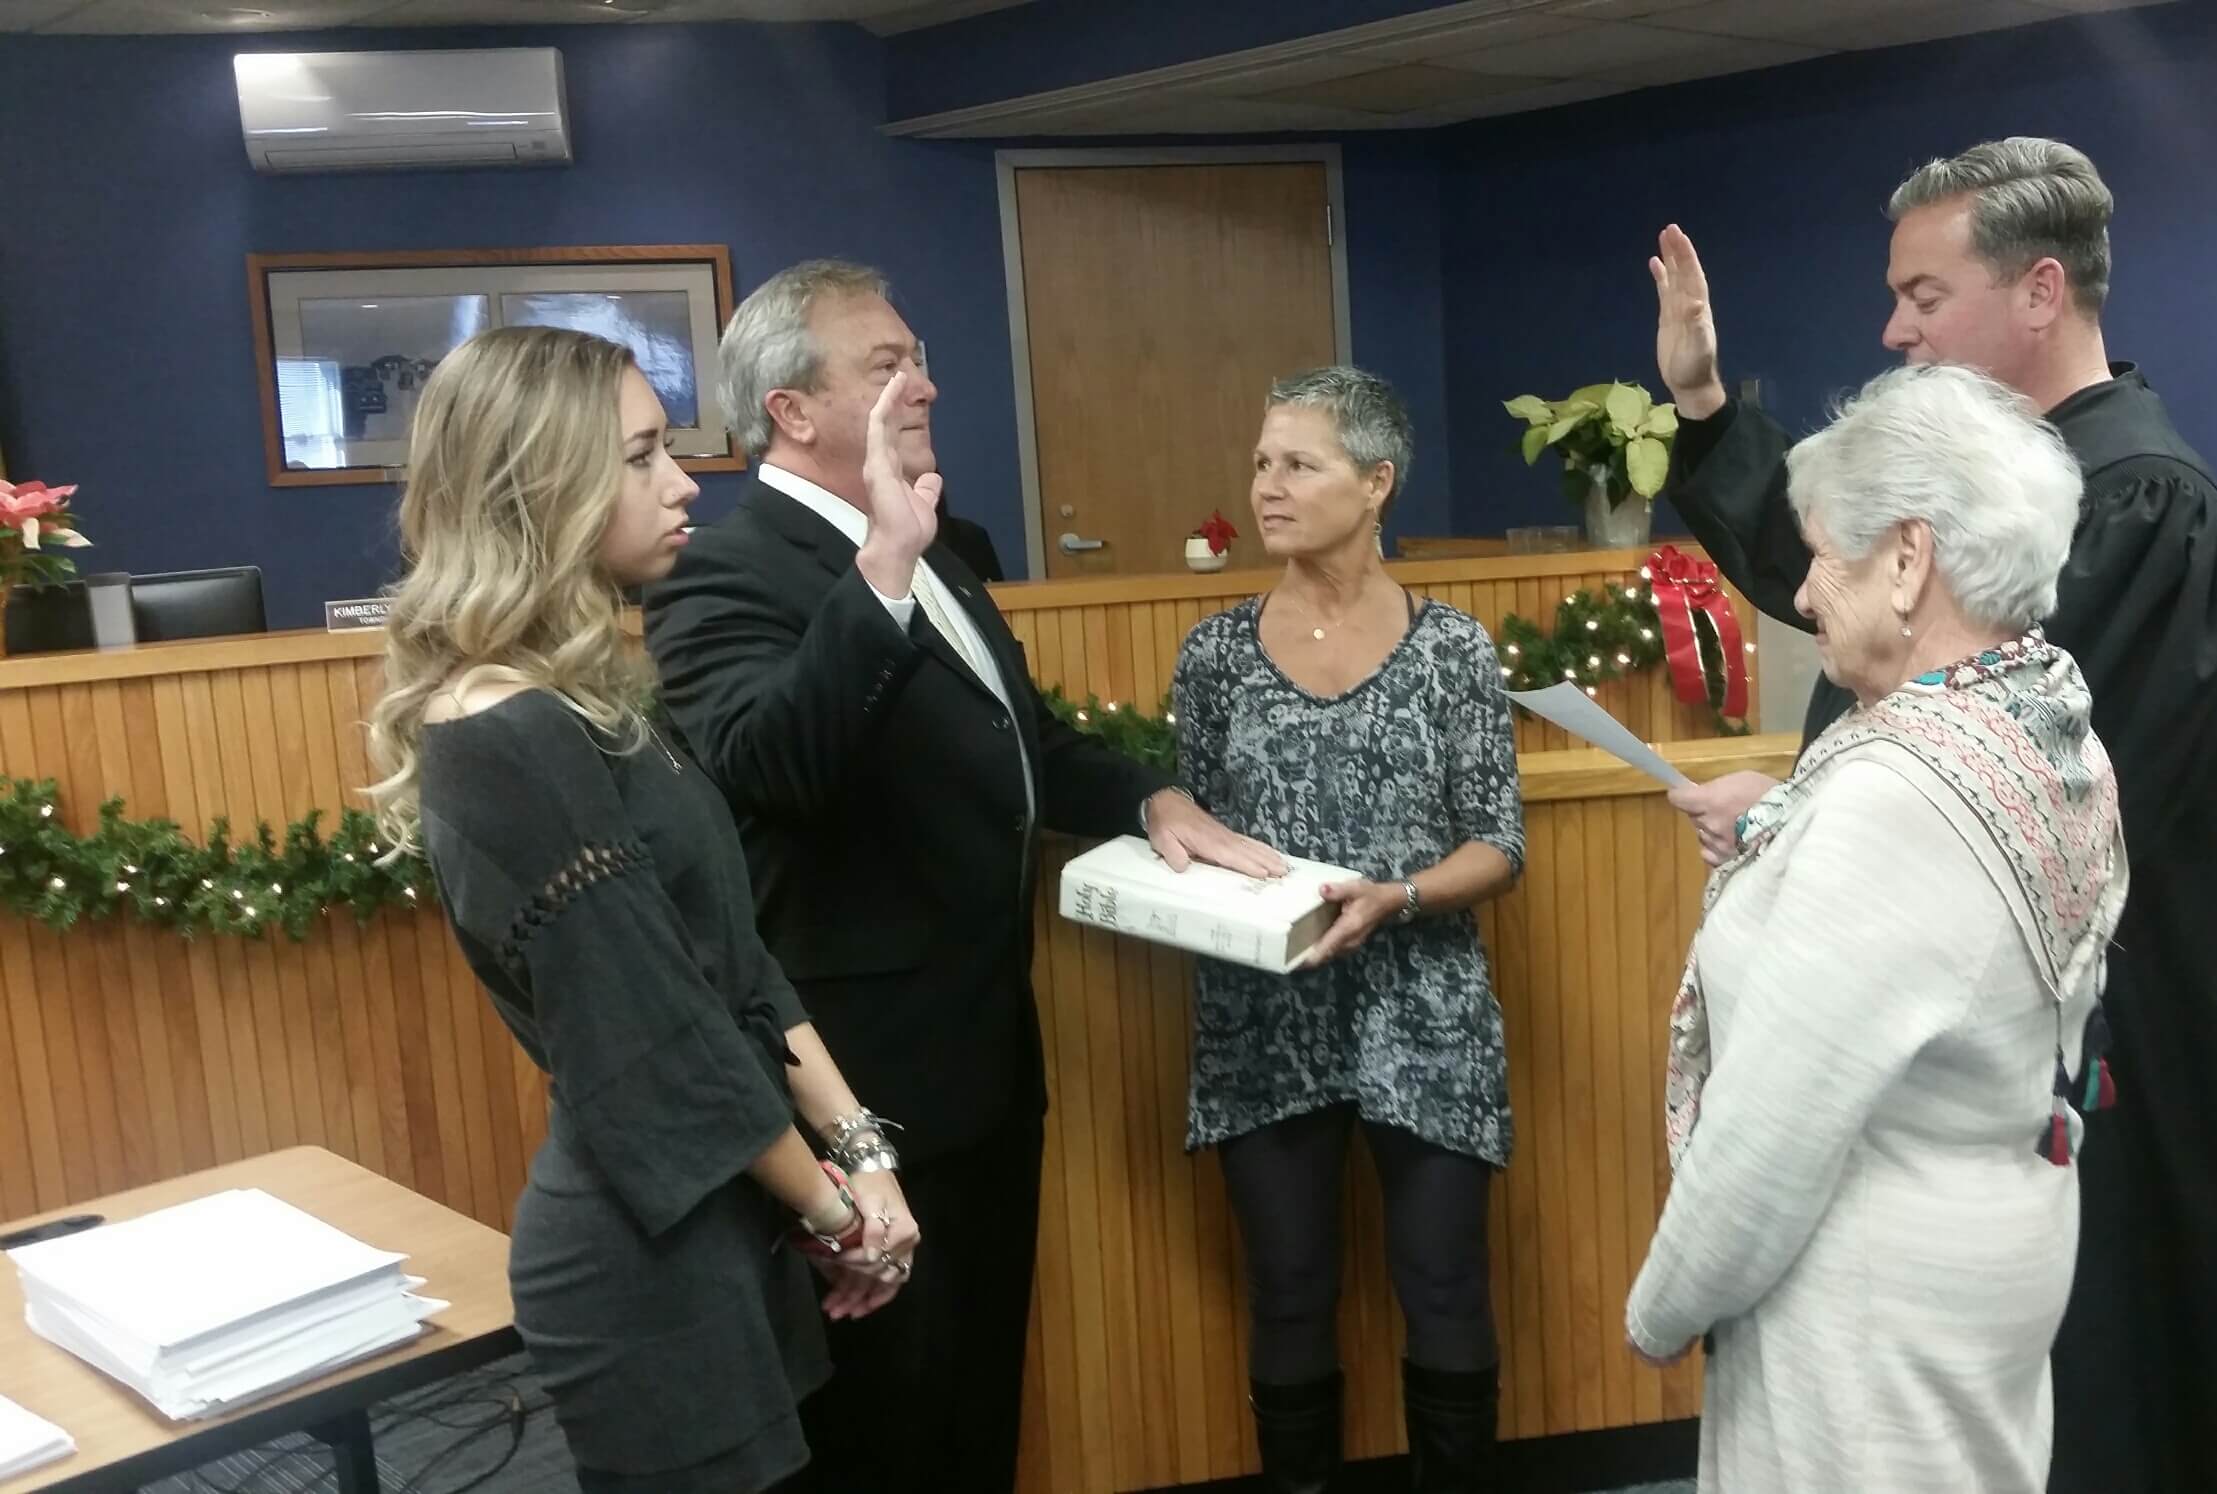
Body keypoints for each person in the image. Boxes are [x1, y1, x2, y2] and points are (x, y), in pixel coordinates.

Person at [1648, 137, 2217, 1494]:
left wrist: (1809, 813)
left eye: (1923, 295)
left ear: (2040, 291)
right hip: (1965, 1049)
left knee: (2093, 1393)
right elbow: (1849, 579)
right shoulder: (2007, 479)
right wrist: (1709, 405)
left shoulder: (2143, 504)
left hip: (2090, 1045)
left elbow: (2020, 783)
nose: (1893, 329)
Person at [639, 259, 1277, 1490]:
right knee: (885, 1420)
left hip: (986, 1057)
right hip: (858, 1084)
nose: (924, 383)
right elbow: (774, 765)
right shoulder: (727, 571)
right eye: (885, 367)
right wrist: (881, 564)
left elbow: (1018, 737)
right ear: (792, 409)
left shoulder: (947, 541)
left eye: (917, 358)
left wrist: (1147, 796)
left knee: (976, 1395)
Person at [363, 325, 917, 1493]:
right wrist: (834, 1211)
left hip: (730, 1230)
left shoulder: (592, 696)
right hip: (643, 1265)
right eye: (641, 456)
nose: (682, 484)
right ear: (538, 486)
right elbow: (656, 1041)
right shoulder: (500, 734)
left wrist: (864, 1158)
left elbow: (735, 964)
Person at [1626, 362, 2127, 1491]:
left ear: (1906, 560)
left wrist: (1663, 1307)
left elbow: (1771, 1132)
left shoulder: (1897, 794)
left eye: (1821, 558)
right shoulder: (2045, 719)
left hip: (1862, 1303)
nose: (1804, 596)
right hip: (1991, 1233)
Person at [1168, 366, 1524, 1494]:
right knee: (1287, 1287)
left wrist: (1401, 895)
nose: (1267, 486)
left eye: (1298, 464)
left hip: (1424, 1006)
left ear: (1376, 484)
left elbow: (1499, 844)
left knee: (1445, 1283)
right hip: (1263, 1015)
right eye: (1263, 461)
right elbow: (1190, 830)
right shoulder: (1215, 655)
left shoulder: (1455, 649)